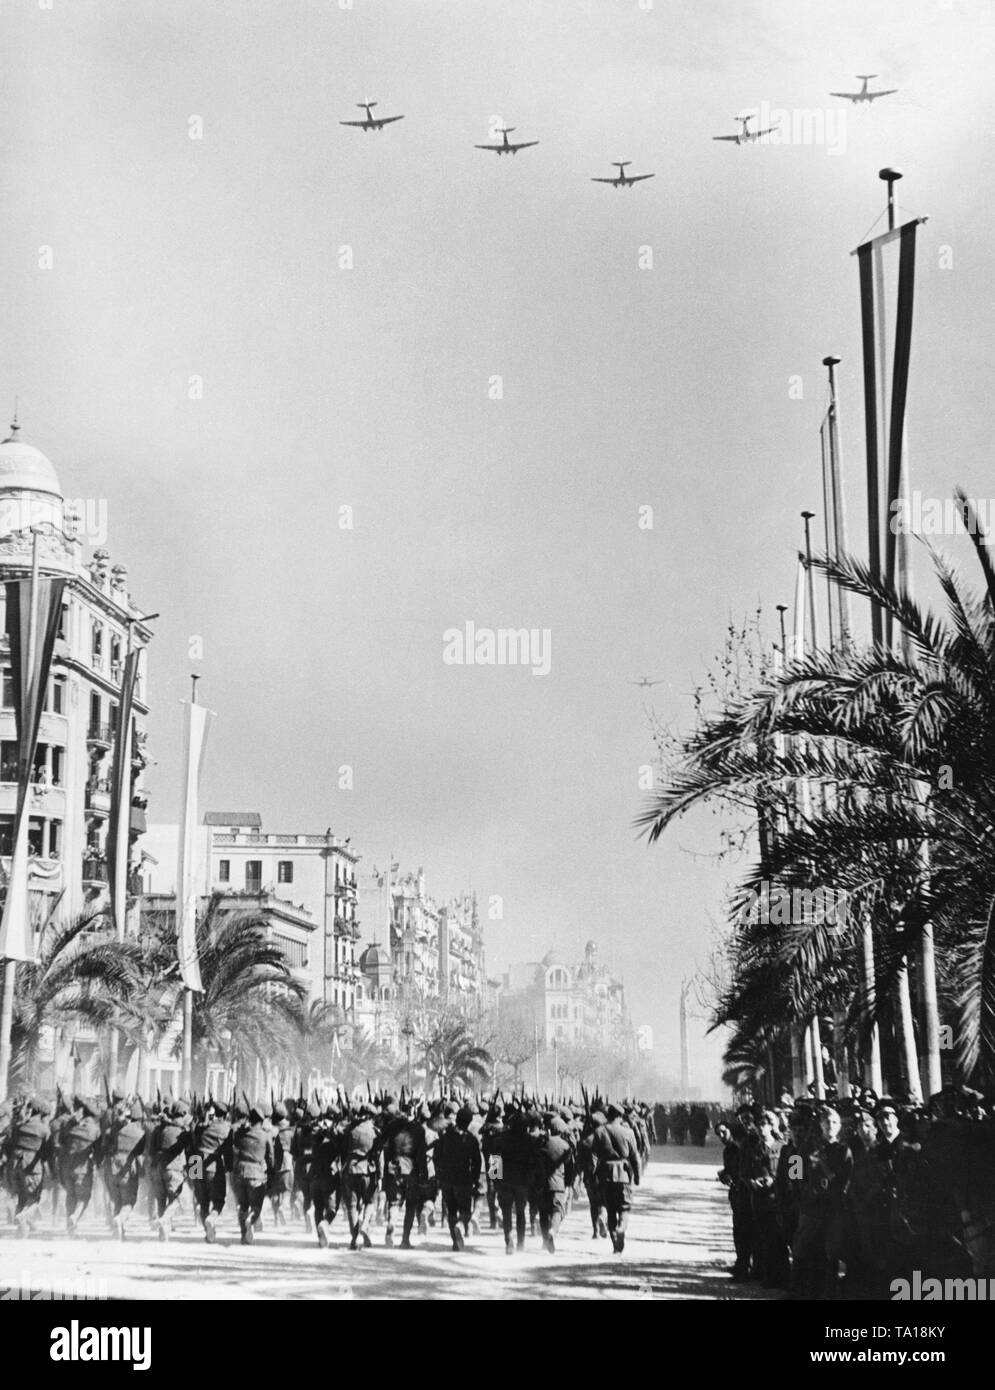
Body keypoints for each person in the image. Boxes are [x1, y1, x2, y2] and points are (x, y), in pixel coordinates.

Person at [587, 1103, 640, 1254]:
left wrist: (592, 1175)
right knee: (624, 1207)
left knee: (610, 1210)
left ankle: (615, 1244)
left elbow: (594, 1157)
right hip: (623, 1173)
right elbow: (635, 1156)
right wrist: (636, 1175)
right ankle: (621, 1228)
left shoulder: (599, 1131)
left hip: (605, 1174)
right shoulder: (628, 1132)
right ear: (620, 1116)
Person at [434, 1103, 482, 1250]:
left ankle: (456, 1242)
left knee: (451, 1210)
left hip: (448, 1178)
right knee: (465, 1211)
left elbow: (437, 1156)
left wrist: (440, 1174)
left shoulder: (446, 1137)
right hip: (464, 1179)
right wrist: (475, 1179)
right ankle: (462, 1226)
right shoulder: (473, 1138)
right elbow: (478, 1161)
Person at [493, 1108, 538, 1254]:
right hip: (522, 1181)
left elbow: (495, 1158)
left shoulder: (501, 1138)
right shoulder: (530, 1141)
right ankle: (520, 1242)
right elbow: (534, 1162)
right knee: (520, 1212)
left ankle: (509, 1240)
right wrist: (531, 1179)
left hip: (505, 1179)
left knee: (506, 1212)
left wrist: (495, 1180)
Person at [229, 1100, 274, 1245]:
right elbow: (271, 1158)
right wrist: (271, 1173)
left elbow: (232, 1144)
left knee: (242, 1206)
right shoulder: (265, 1135)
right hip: (256, 1173)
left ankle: (244, 1236)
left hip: (236, 1171)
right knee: (256, 1206)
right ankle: (251, 1219)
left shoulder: (237, 1132)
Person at [56, 1096, 101, 1235]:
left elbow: (61, 1142)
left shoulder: (69, 1125)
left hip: (66, 1166)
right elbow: (98, 1151)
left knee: (70, 1196)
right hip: (83, 1168)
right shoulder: (94, 1129)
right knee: (83, 1198)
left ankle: (70, 1228)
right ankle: (74, 1217)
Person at [102, 1099, 147, 1239]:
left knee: (116, 1200)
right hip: (127, 1169)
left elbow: (104, 1148)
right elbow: (142, 1151)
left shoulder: (111, 1131)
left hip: (111, 1167)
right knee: (128, 1202)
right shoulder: (139, 1133)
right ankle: (120, 1220)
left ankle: (118, 1233)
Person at [7, 1097, 52, 1235]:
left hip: (15, 1163)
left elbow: (10, 1144)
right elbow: (47, 1153)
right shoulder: (44, 1129)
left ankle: (23, 1229)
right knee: (34, 1197)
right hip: (31, 1165)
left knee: (21, 1195)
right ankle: (24, 1216)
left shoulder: (19, 1126)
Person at [189, 1099, 232, 1242]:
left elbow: (192, 1144)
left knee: (203, 1202)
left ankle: (208, 1233)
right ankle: (212, 1219)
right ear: (225, 1115)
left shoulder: (199, 1126)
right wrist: (229, 1168)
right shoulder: (226, 1128)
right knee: (219, 1201)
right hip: (212, 1162)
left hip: (195, 1161)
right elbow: (227, 1151)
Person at [147, 1100, 190, 1241]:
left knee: (161, 1200)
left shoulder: (159, 1129)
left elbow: (152, 1150)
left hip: (158, 1168)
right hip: (175, 1168)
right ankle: (165, 1219)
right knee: (179, 1199)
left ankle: (163, 1233)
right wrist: (195, 1174)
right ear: (183, 1114)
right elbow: (193, 1152)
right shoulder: (182, 1131)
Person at [341, 1102, 380, 1250]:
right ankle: (365, 1226)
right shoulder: (375, 1132)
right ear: (370, 1116)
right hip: (368, 1171)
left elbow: (343, 1150)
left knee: (352, 1206)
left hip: (351, 1170)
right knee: (369, 1202)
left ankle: (354, 1239)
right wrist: (380, 1175)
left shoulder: (350, 1130)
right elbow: (378, 1155)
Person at [534, 1111, 574, 1253]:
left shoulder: (540, 1142)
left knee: (543, 1212)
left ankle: (545, 1240)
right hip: (558, 1183)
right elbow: (570, 1168)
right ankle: (553, 1231)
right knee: (557, 1210)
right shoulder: (565, 1145)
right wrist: (569, 1184)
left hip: (541, 1183)